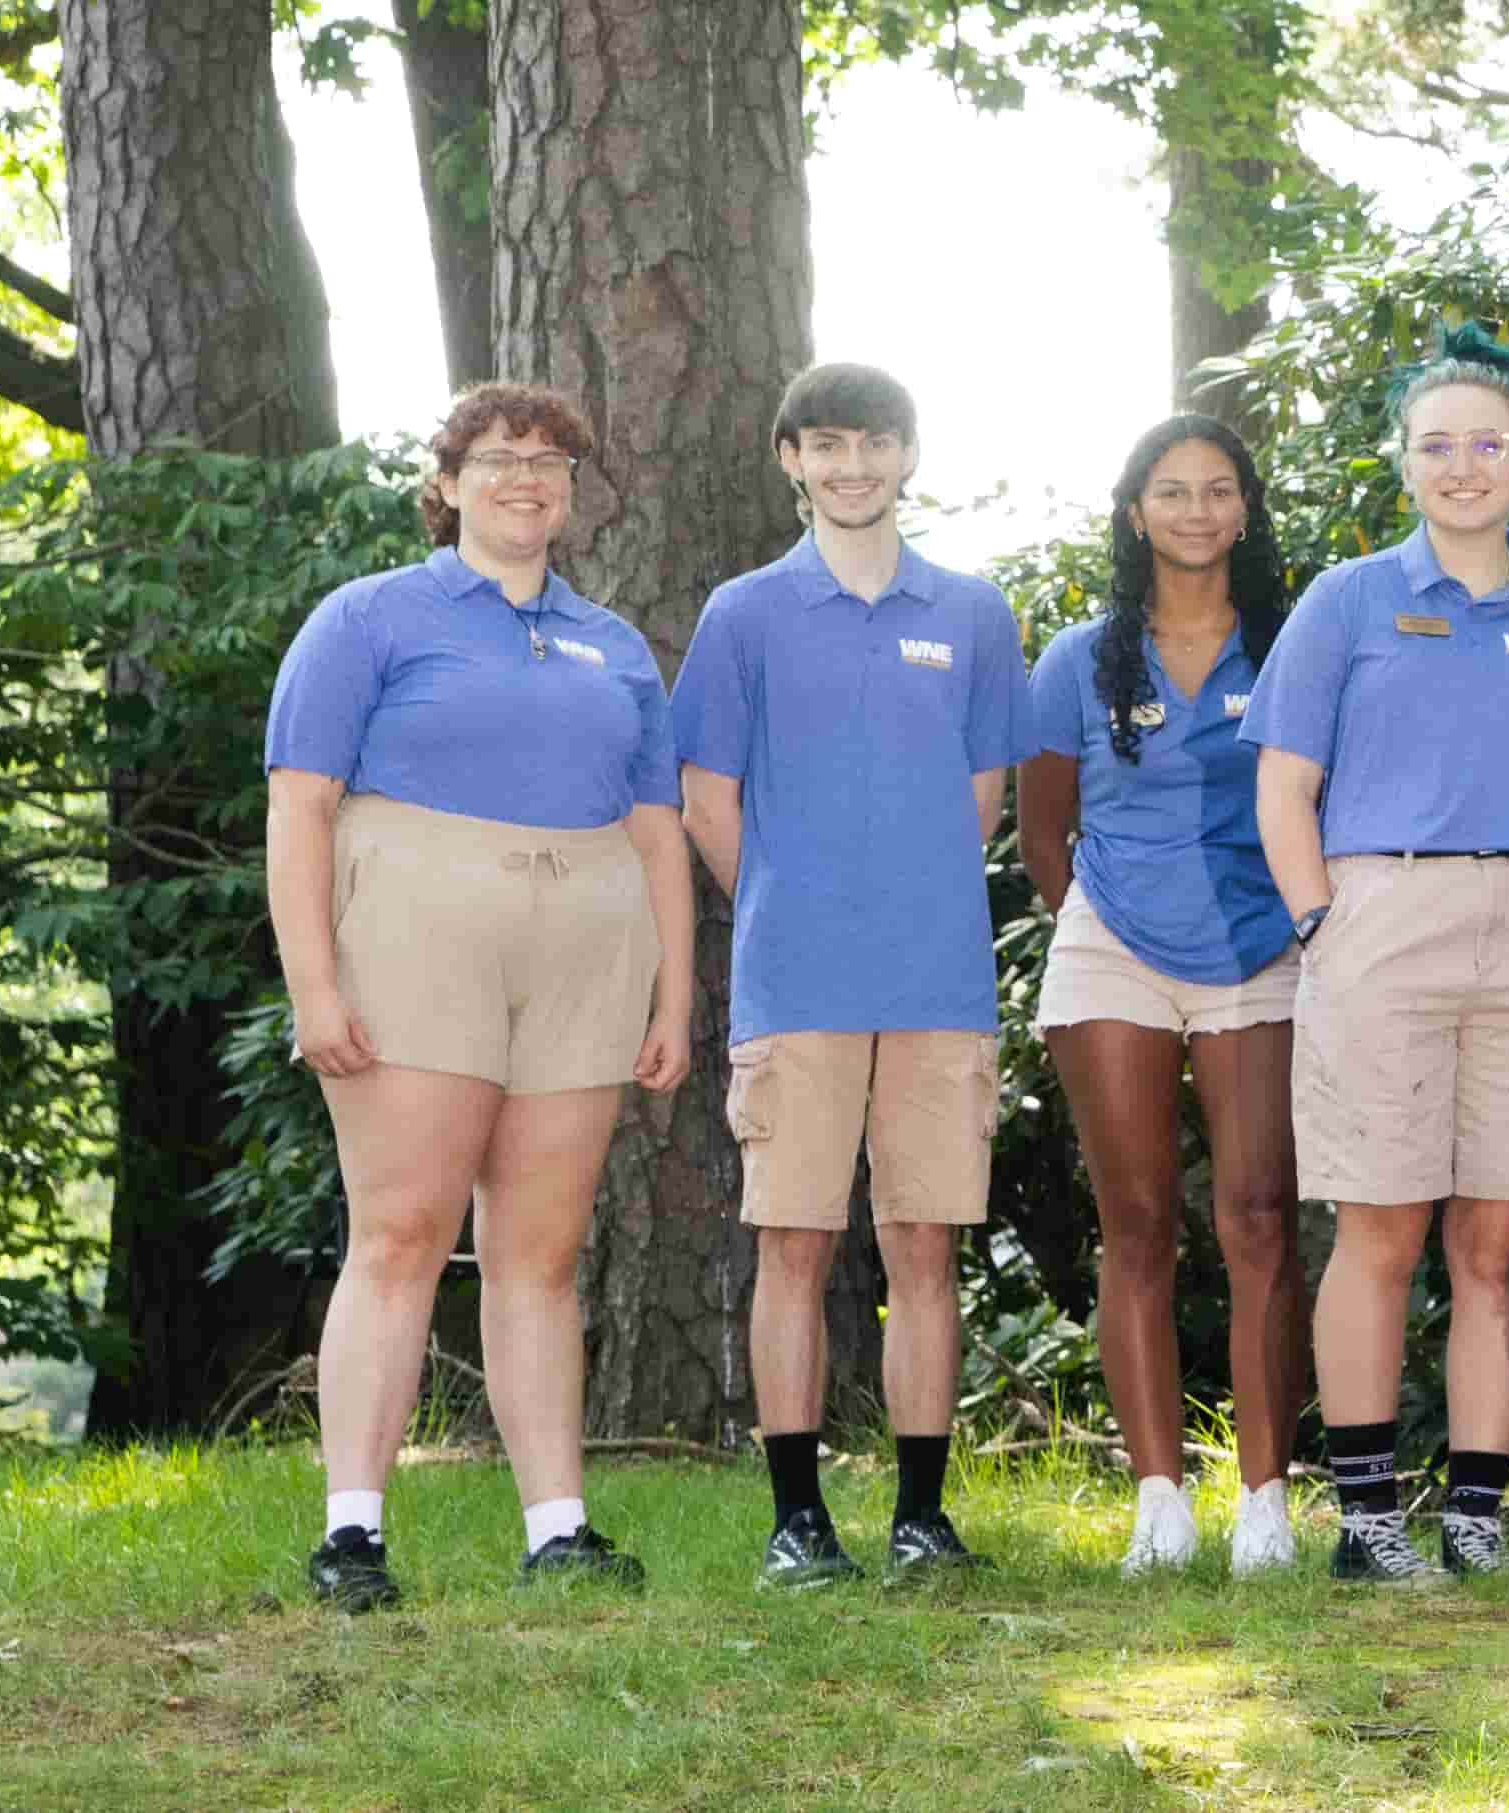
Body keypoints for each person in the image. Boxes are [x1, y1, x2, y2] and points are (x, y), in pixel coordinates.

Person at [268, 382, 692, 1610]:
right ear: (446, 484)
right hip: (416, 928)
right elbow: (299, 809)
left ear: (575, 493)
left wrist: (672, 997)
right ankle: (353, 1532)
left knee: (540, 1254)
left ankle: (558, 1530)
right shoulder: (368, 619)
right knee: (400, 1233)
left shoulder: (614, 642)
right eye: (499, 459)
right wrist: (315, 984)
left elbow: (658, 830)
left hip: (587, 943)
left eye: (552, 461)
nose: (527, 478)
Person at [1254, 328, 1509, 1583]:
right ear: (1406, 464)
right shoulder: (1350, 599)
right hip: (1382, 917)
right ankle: (1370, 1519)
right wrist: (1325, 921)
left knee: (1496, 1239)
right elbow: (1283, 788)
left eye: (1487, 444)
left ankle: (1476, 1520)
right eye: (1439, 446)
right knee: (1377, 1226)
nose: (1464, 466)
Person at [672, 362, 1036, 1586]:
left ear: (908, 456)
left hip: (937, 980)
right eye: (826, 445)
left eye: (873, 443)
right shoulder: (743, 616)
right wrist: (787, 900)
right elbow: (706, 799)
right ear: (790, 458)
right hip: (799, 981)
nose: (851, 466)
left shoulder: (974, 613)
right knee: (794, 1247)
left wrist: (897, 890)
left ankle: (921, 1520)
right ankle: (796, 1521)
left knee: (926, 1245)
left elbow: (982, 797)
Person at [1022, 412, 1321, 1576]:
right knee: (1137, 1222)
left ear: (1245, 510)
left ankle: (1263, 1505)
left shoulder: (1294, 646)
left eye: (1217, 489)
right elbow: (1043, 834)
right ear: (1134, 510)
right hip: (1113, 951)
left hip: (1262, 946)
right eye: (1171, 490)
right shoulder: (1077, 658)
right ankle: (1157, 1499)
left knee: (1256, 1217)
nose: (1195, 509)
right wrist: (1109, 921)